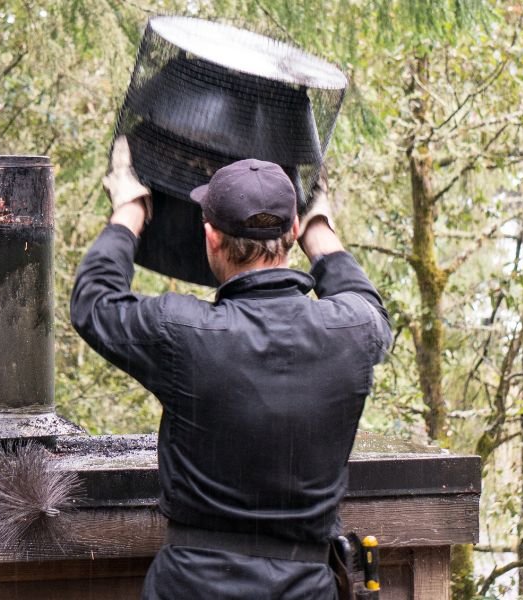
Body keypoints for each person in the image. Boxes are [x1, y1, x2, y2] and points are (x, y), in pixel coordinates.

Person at [70, 137, 392, 600]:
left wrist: (130, 209)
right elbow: (369, 305)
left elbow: (93, 302)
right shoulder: (354, 331)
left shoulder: (183, 333)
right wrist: (320, 231)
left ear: (211, 237)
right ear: (293, 230)